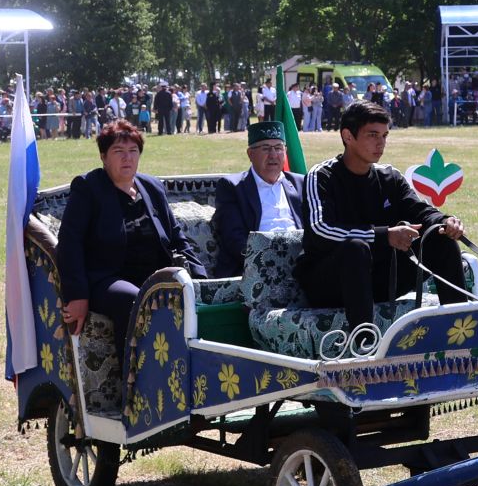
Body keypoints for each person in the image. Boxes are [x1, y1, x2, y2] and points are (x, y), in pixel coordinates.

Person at [298, 99, 467, 330]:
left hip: (381, 279)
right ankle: (364, 343)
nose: (381, 143)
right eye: (372, 135)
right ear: (348, 136)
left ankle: (463, 330)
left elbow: (420, 210)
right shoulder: (322, 176)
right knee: (355, 249)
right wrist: (384, 235)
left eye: (385, 136)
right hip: (330, 283)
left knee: (440, 239)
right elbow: (321, 231)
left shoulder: (390, 177)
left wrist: (445, 221)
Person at [58, 120, 207, 345]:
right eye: (118, 151)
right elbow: (69, 242)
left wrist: (200, 277)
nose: (127, 158)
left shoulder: (152, 187)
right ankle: (135, 376)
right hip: (108, 278)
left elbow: (176, 237)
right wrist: (76, 294)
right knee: (133, 299)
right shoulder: (88, 188)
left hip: (155, 275)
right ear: (103, 156)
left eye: (133, 151)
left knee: (194, 295)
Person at [212, 120, 305, 276]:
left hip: (301, 264)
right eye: (266, 149)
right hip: (254, 268)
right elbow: (234, 239)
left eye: (278, 148)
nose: (273, 155)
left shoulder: (301, 183)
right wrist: (269, 263)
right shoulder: (233, 187)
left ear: (285, 152)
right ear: (250, 154)